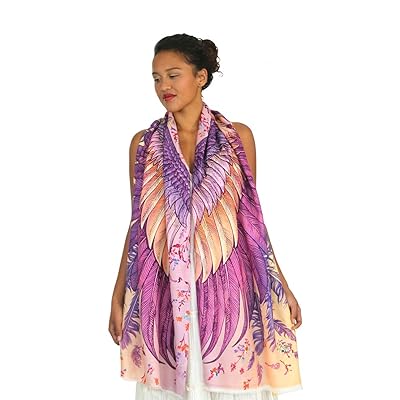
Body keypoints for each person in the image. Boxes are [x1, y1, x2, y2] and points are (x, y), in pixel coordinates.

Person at [109, 33, 303, 400]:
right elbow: (138, 229)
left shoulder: (237, 138)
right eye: (156, 78)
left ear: (201, 77)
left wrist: (283, 286)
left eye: (173, 75)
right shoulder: (143, 145)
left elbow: (252, 223)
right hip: (163, 294)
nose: (163, 86)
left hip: (227, 297)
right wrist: (119, 296)